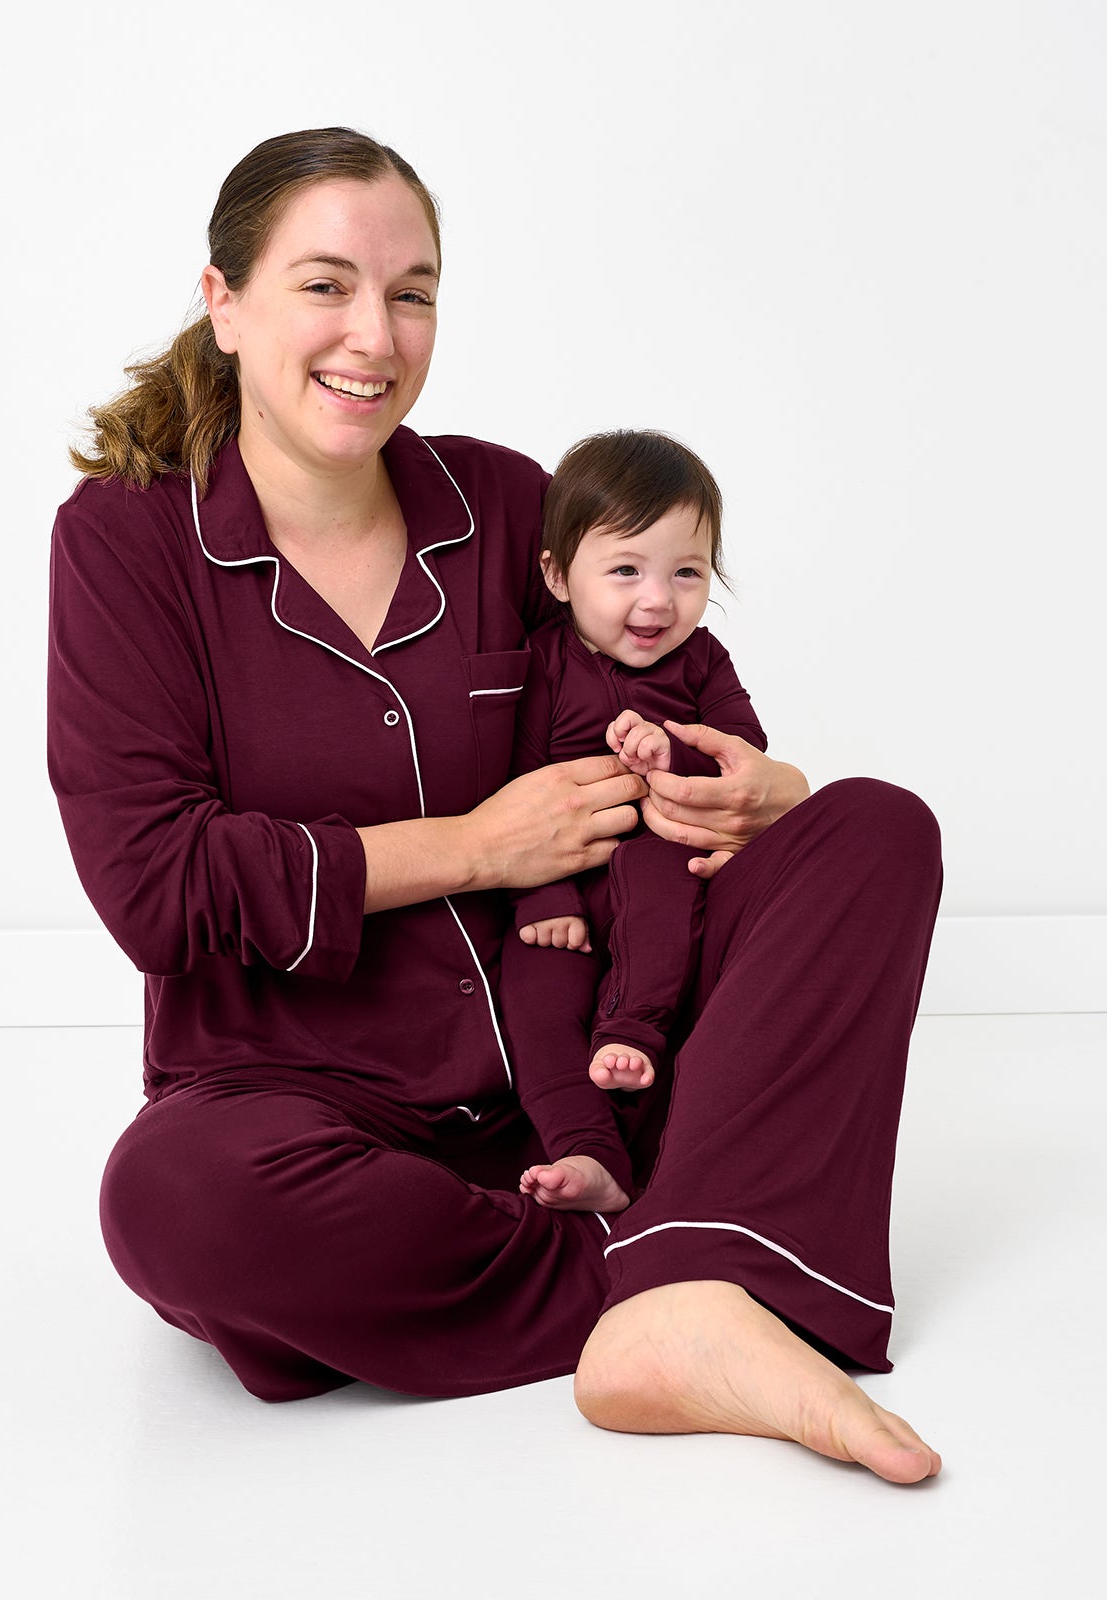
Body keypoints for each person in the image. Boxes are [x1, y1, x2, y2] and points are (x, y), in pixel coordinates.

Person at [47, 126, 945, 1483]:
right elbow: (156, 886)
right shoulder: (125, 540)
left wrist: (760, 784)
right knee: (172, 1205)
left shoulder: (509, 500)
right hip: (305, 1103)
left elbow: (671, 672)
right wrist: (471, 847)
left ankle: (649, 1266)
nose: (376, 333)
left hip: (590, 1051)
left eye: (412, 293)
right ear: (224, 305)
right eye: (325, 285)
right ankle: (689, 1273)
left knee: (878, 826)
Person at [504, 430, 767, 1219]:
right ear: (558, 575)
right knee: (532, 1002)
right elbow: (513, 786)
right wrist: (541, 897)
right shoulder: (543, 664)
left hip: (658, 870)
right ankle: (583, 1149)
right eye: (625, 571)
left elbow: (745, 758)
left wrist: (673, 752)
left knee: (661, 908)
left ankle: (634, 1031)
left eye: (687, 573)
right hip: (560, 887)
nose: (658, 600)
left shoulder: (703, 663)